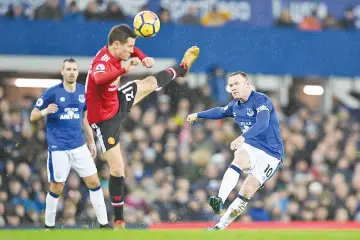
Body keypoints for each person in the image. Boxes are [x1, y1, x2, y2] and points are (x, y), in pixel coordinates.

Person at [85, 24, 199, 229]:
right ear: (117, 45)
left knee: (148, 82)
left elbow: (131, 49)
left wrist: (143, 56)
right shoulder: (101, 63)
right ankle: (119, 220)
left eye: (133, 47)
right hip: (104, 120)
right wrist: (124, 69)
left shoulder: (118, 49)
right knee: (118, 169)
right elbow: (98, 78)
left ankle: (182, 69)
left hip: (117, 100)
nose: (132, 51)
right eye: (129, 47)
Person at [187, 72, 284, 230]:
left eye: (236, 84)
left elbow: (262, 124)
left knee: (246, 191)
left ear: (247, 84)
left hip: (271, 154)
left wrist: (243, 137)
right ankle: (220, 200)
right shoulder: (235, 105)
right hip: (251, 146)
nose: (233, 88)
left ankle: (220, 226)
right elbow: (220, 111)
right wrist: (199, 115)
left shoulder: (261, 100)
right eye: (230, 85)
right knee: (239, 157)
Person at [30, 58, 109, 229]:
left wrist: (91, 141)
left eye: (74, 69)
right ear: (62, 71)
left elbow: (85, 119)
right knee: (57, 187)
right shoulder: (52, 92)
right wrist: (44, 111)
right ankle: (49, 226)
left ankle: (104, 224)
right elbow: (33, 115)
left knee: (94, 182)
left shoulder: (83, 92)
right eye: (68, 69)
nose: (71, 72)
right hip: (58, 148)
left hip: (79, 146)